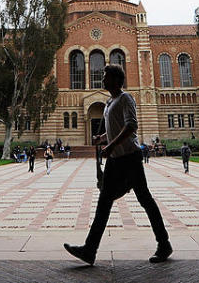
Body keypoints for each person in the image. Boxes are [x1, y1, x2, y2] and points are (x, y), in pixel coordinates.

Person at [65, 64, 171, 265]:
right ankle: (89, 250)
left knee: (145, 200)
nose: (102, 79)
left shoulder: (126, 98)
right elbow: (116, 128)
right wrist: (102, 138)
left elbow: (131, 125)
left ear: (115, 80)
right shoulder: (109, 101)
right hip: (116, 161)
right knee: (104, 203)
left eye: (105, 77)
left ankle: (164, 244)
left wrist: (111, 145)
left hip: (130, 158)